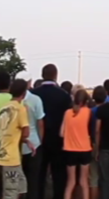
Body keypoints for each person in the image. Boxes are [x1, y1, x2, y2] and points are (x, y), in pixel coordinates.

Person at [35, 64, 73, 199]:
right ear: (56, 75)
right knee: (59, 174)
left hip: (38, 139)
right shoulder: (64, 95)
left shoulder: (34, 94)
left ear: (42, 75)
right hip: (58, 139)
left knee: (39, 174)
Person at [0, 79, 32, 199]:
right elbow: (26, 132)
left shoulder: (3, 107)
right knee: (11, 192)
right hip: (12, 157)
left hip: (1, 152)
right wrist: (25, 138)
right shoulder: (20, 108)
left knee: (21, 186)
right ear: (24, 92)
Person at [63, 88, 94, 199]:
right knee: (84, 182)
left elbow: (61, 133)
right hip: (85, 149)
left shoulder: (67, 113)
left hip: (69, 149)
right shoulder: (88, 112)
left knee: (70, 182)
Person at [21, 79, 46, 199]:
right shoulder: (36, 100)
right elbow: (40, 123)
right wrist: (41, 141)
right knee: (33, 180)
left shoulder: (12, 102)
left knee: (18, 180)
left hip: (18, 144)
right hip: (34, 143)